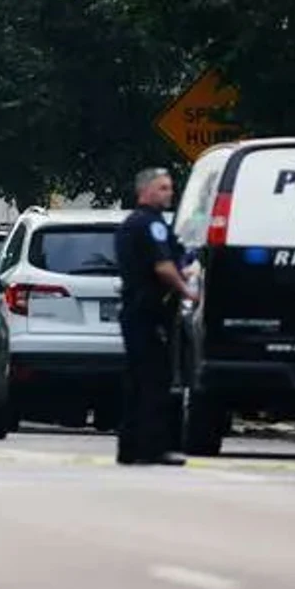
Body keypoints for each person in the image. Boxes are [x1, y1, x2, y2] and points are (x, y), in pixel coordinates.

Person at [114, 167, 197, 466]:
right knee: (155, 381)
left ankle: (130, 447)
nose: (169, 193)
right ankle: (151, 447)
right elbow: (163, 268)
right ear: (145, 191)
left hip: (135, 311)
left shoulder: (131, 224)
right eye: (163, 188)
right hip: (151, 312)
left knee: (137, 380)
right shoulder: (151, 224)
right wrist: (187, 291)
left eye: (169, 188)